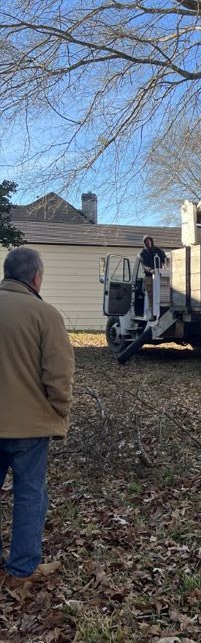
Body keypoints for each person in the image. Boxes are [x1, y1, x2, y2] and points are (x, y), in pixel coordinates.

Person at [0, 247, 74, 586]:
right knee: (30, 494)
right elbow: (58, 374)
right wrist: (58, 410)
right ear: (35, 277)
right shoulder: (45, 315)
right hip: (28, 427)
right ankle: (21, 570)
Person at [139, 235, 167, 318]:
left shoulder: (157, 250)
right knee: (151, 295)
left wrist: (165, 261)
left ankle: (163, 311)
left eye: (149, 240)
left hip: (160, 275)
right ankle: (152, 314)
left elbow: (164, 258)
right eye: (146, 241)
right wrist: (150, 270)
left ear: (151, 241)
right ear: (144, 243)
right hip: (149, 276)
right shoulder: (142, 253)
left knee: (162, 294)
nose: (148, 242)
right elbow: (144, 265)